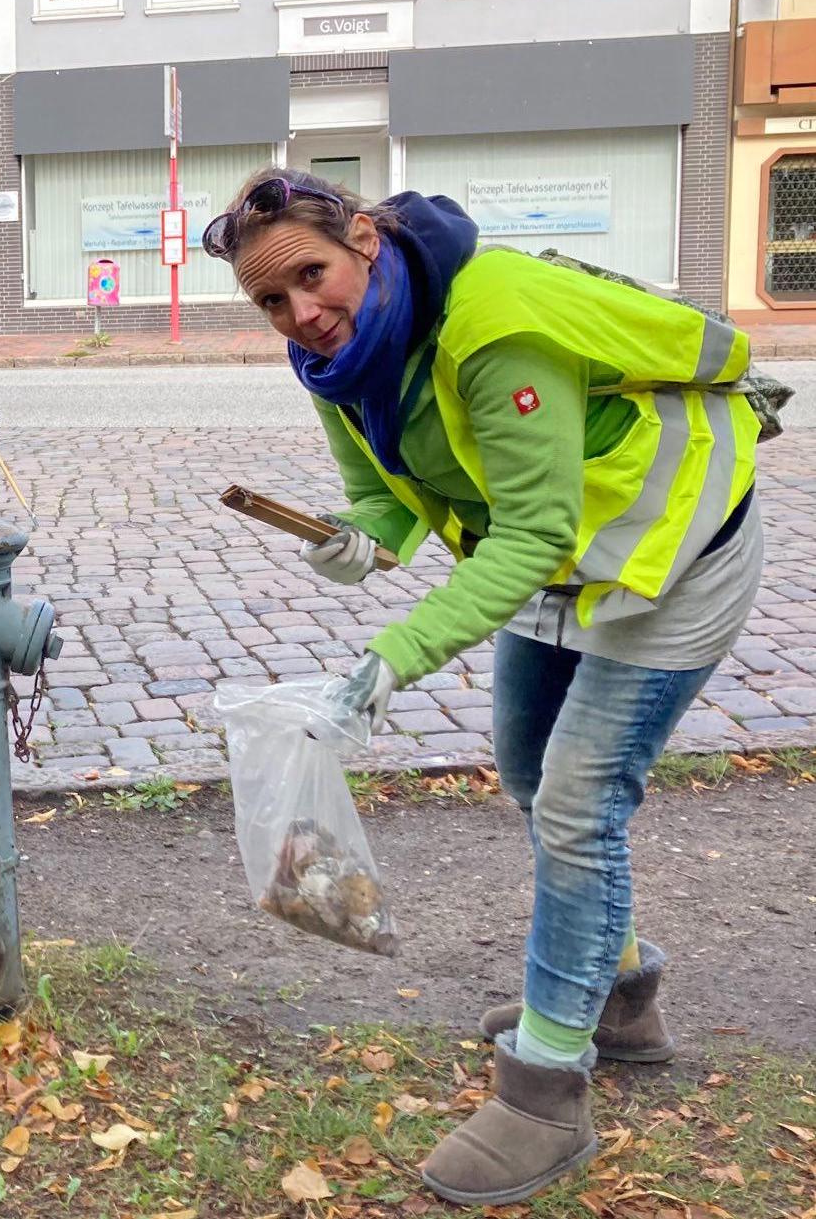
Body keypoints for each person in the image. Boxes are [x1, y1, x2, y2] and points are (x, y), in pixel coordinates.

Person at [204, 168, 763, 1208]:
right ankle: (622, 1001)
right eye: (272, 301)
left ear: (365, 238)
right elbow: (389, 491)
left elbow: (533, 529)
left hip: (674, 551)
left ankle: (545, 1095)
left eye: (313, 278)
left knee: (579, 802)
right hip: (565, 557)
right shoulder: (335, 359)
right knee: (525, 768)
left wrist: (390, 659)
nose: (303, 314)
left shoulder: (491, 326)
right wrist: (356, 539)